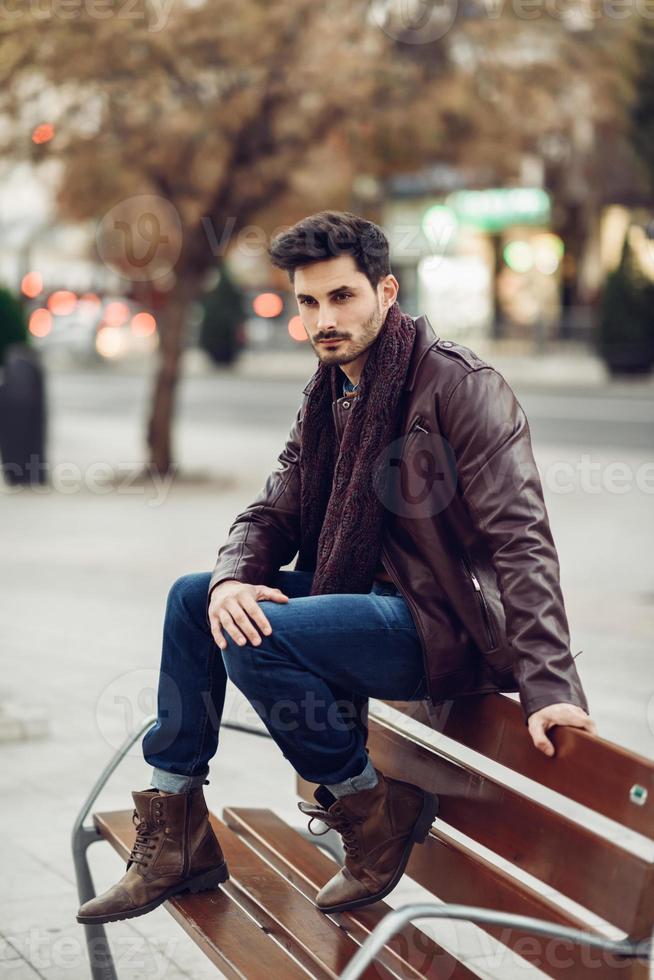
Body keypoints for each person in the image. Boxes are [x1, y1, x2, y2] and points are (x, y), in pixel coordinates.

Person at [77, 211, 597, 926]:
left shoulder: (460, 385)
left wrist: (550, 682)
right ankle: (178, 833)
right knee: (197, 600)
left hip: (437, 624)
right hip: (356, 604)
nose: (325, 318)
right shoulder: (328, 395)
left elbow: (522, 538)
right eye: (309, 302)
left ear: (386, 291)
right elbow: (273, 513)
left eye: (342, 297)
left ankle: (367, 807)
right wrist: (231, 575)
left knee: (256, 634)